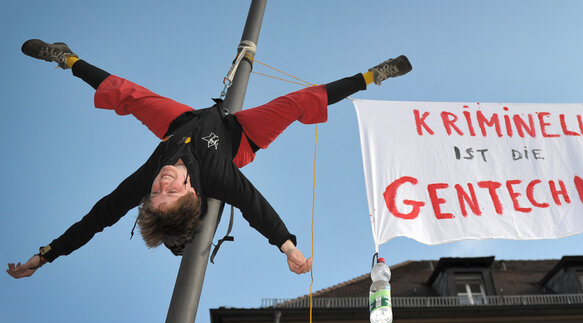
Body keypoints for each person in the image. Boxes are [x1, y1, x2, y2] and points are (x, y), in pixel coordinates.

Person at [7, 39, 412, 279]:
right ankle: (373, 76)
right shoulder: (219, 179)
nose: (163, 180)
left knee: (127, 94)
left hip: (182, 122)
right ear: (191, 194)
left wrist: (44, 255)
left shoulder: (149, 178)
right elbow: (257, 208)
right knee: (297, 102)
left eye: (156, 191)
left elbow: (99, 215)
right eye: (170, 190)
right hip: (241, 137)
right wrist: (289, 248)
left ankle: (68, 58)